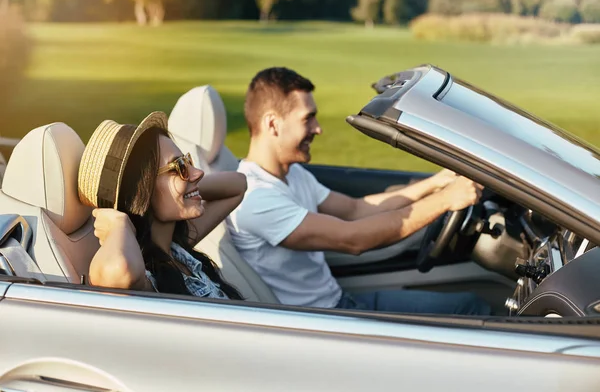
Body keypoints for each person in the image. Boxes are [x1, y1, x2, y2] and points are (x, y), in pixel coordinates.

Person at [226, 67, 491, 315]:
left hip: (340, 302)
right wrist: (445, 200)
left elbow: (356, 210)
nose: (317, 129)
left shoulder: (290, 173)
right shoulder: (256, 198)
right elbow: (352, 239)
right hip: (325, 322)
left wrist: (435, 183)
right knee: (471, 311)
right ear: (272, 124)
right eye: (307, 119)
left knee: (470, 304)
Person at [78, 111, 246, 298]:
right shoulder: (146, 278)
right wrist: (119, 222)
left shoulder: (176, 248)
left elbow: (238, 185)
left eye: (187, 160)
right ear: (142, 191)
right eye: (179, 167)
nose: (197, 172)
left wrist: (187, 188)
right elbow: (120, 271)